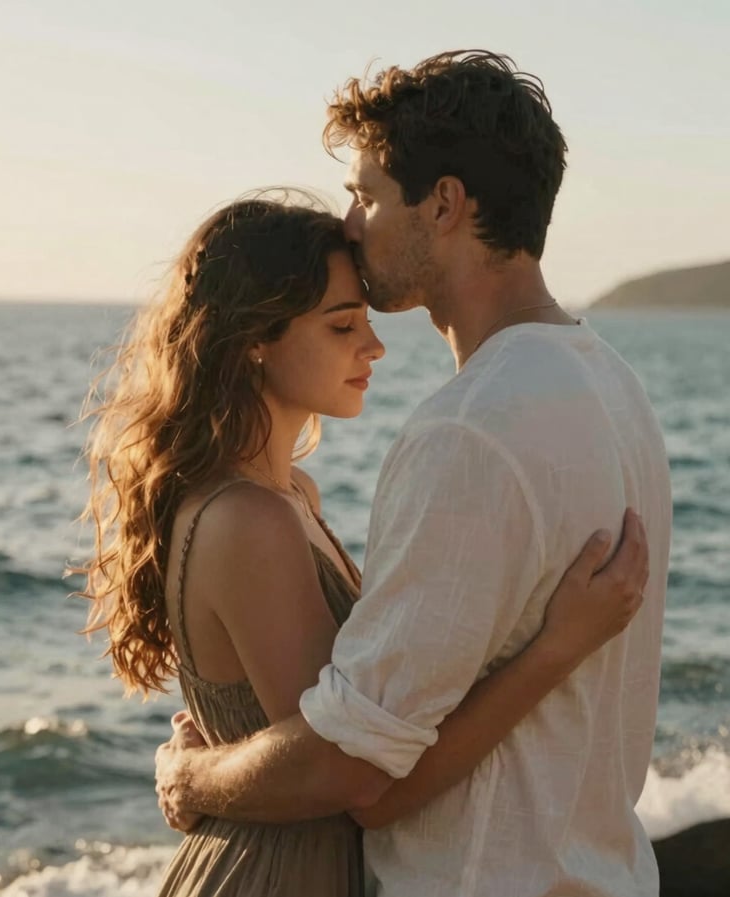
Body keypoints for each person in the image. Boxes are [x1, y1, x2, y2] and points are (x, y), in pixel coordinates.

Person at [154, 51, 671, 896]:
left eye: (366, 194)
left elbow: (356, 771)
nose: (351, 223)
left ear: (444, 204)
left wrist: (191, 776)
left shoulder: (470, 429)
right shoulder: (617, 390)